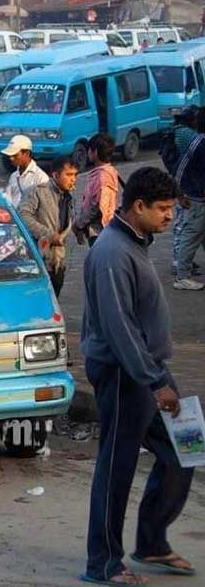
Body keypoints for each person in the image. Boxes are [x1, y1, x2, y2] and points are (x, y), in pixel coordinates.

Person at [80, 167, 195, 586]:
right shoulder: (112, 253)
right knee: (116, 467)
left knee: (187, 446)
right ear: (139, 206)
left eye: (171, 208)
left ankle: (151, 542)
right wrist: (153, 381)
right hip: (126, 374)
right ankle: (104, 562)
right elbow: (119, 328)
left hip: (150, 370)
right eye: (162, 209)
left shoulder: (137, 243)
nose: (169, 216)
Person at [18, 156, 77, 297]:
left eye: (75, 175)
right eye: (68, 175)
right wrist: (48, 234)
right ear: (55, 175)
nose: (73, 179)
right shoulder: (37, 191)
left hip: (58, 261)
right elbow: (23, 216)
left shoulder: (69, 198)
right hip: (36, 260)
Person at [172, 109, 205, 290]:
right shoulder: (198, 144)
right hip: (195, 198)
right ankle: (182, 276)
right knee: (191, 234)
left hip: (196, 196)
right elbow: (180, 170)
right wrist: (180, 193)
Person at [168, 106, 200, 275]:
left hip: (184, 183)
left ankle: (182, 260)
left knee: (186, 224)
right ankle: (179, 263)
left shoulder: (178, 132)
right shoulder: (188, 136)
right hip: (186, 185)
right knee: (184, 225)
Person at [74, 133, 120, 247]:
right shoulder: (108, 172)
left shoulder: (103, 177)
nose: (88, 153)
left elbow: (98, 207)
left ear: (94, 152)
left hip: (101, 232)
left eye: (89, 150)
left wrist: (79, 223)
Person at [2, 135, 50, 207]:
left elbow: (44, 206)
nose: (11, 158)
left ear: (27, 153)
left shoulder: (41, 178)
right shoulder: (13, 176)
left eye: (15, 155)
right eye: (10, 155)